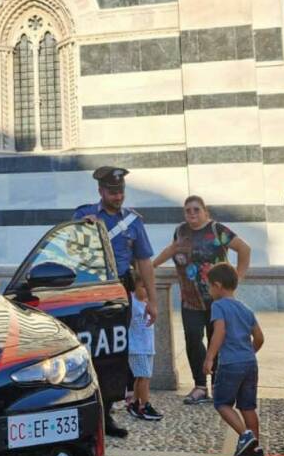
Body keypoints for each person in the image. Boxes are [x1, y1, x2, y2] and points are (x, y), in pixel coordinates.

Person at [74, 166, 158, 438]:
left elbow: (144, 261)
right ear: (101, 191)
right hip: (91, 287)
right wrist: (81, 231)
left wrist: (152, 301)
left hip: (121, 289)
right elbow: (70, 251)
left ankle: (107, 413)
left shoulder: (133, 222)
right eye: (112, 191)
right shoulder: (82, 215)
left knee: (116, 353)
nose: (117, 196)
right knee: (92, 351)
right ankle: (87, 410)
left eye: (120, 191)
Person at [153, 196, 251, 405]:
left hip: (217, 301)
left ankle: (218, 386)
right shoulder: (181, 231)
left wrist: (236, 280)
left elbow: (244, 249)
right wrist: (150, 267)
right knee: (193, 341)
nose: (192, 214)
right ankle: (200, 386)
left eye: (196, 209)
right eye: (188, 210)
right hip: (190, 300)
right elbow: (171, 250)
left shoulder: (217, 230)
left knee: (217, 341)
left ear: (205, 211)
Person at [203, 263, 265, 456]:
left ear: (218, 285)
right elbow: (260, 338)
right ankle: (255, 449)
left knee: (222, 402)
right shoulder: (245, 308)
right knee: (248, 407)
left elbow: (219, 332)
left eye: (209, 286)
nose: (209, 290)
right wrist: (248, 353)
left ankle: (246, 437)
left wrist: (210, 358)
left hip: (230, 364)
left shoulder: (218, 306)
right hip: (249, 363)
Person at [127, 269, 161, 421]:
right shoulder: (133, 303)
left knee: (141, 377)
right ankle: (144, 405)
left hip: (147, 347)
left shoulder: (146, 303)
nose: (147, 291)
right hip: (137, 347)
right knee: (144, 377)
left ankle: (134, 402)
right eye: (143, 287)